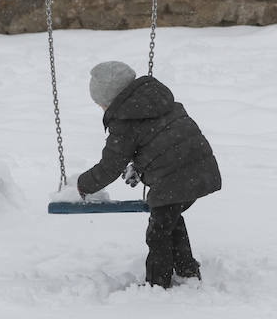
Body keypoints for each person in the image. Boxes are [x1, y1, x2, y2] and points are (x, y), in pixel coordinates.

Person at [77, 61, 222, 289]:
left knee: (158, 234)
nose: (102, 109)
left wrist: (81, 185)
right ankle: (187, 271)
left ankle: (157, 285)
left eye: (101, 105)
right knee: (170, 221)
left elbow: (110, 166)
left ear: (112, 99)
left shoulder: (124, 121)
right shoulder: (155, 101)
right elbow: (160, 142)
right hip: (199, 168)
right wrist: (141, 166)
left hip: (175, 179)